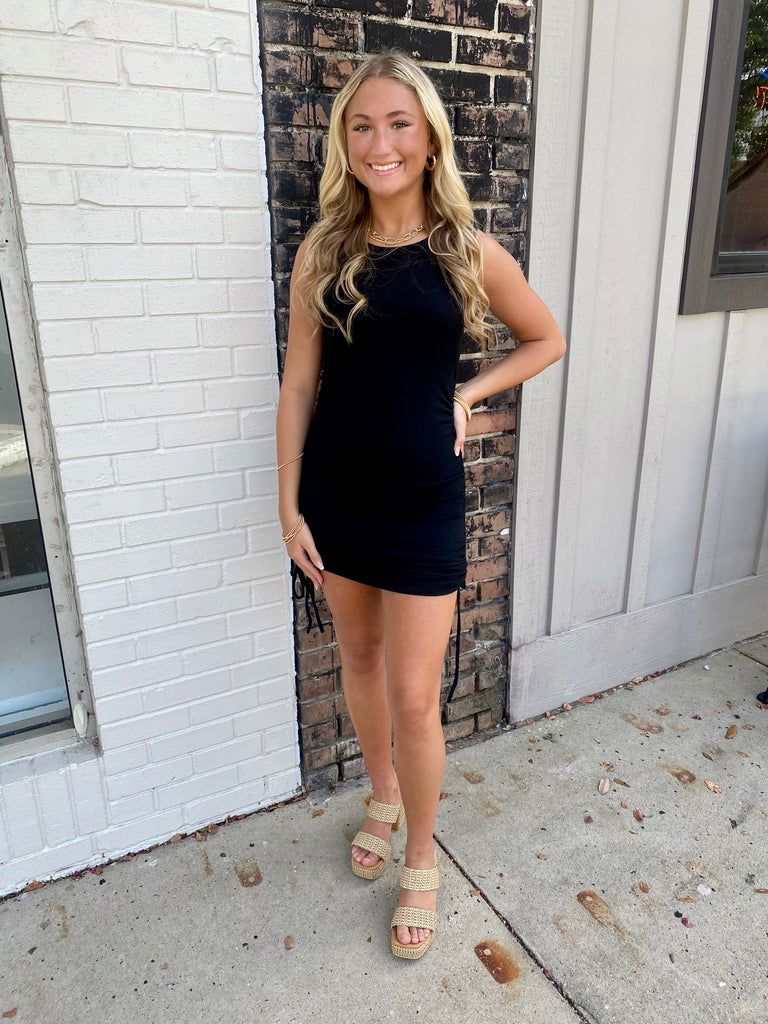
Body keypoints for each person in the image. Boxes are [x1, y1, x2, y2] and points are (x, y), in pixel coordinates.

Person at [275, 50, 566, 961]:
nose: (380, 143)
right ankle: (383, 795)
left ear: (430, 137)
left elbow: (545, 338)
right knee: (359, 662)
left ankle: (423, 855)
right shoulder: (324, 251)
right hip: (336, 496)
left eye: (398, 123)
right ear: (345, 140)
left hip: (422, 502)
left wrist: (468, 394)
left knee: (414, 695)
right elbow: (298, 386)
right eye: (362, 125)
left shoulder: (465, 250)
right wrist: (288, 508)